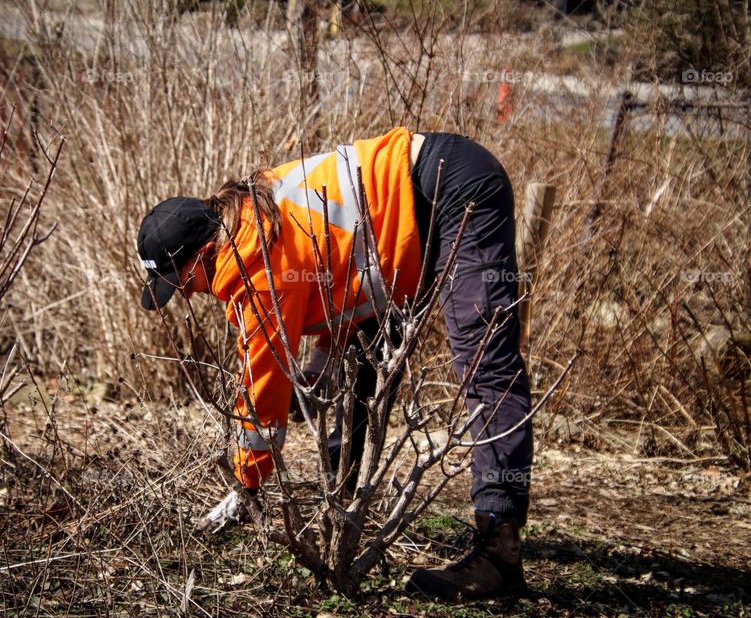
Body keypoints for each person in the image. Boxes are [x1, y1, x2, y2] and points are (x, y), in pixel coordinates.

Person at [136, 127, 533, 599]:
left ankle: (499, 553)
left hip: (451, 187)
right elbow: (337, 262)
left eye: (182, 282)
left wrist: (247, 485)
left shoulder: (249, 261)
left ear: (202, 255)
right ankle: (342, 504)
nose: (188, 294)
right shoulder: (250, 218)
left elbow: (265, 388)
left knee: (485, 363)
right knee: (366, 367)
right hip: (409, 215)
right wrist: (325, 350)